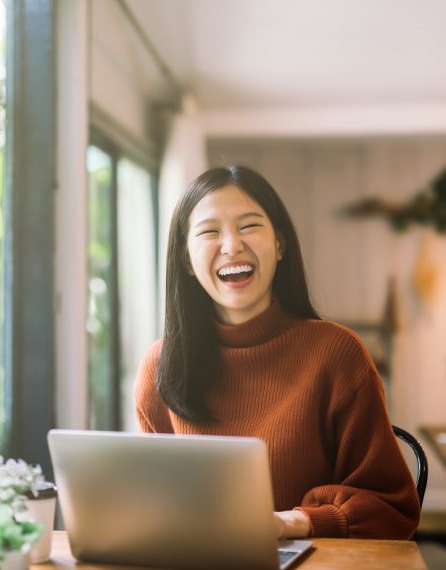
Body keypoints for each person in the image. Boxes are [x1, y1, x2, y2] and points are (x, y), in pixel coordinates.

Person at [134, 165, 420, 540]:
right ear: (187, 260)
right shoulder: (161, 366)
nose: (232, 245)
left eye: (249, 226)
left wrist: (294, 522)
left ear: (281, 245)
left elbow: (393, 509)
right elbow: (153, 501)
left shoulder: (336, 354)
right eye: (209, 232)